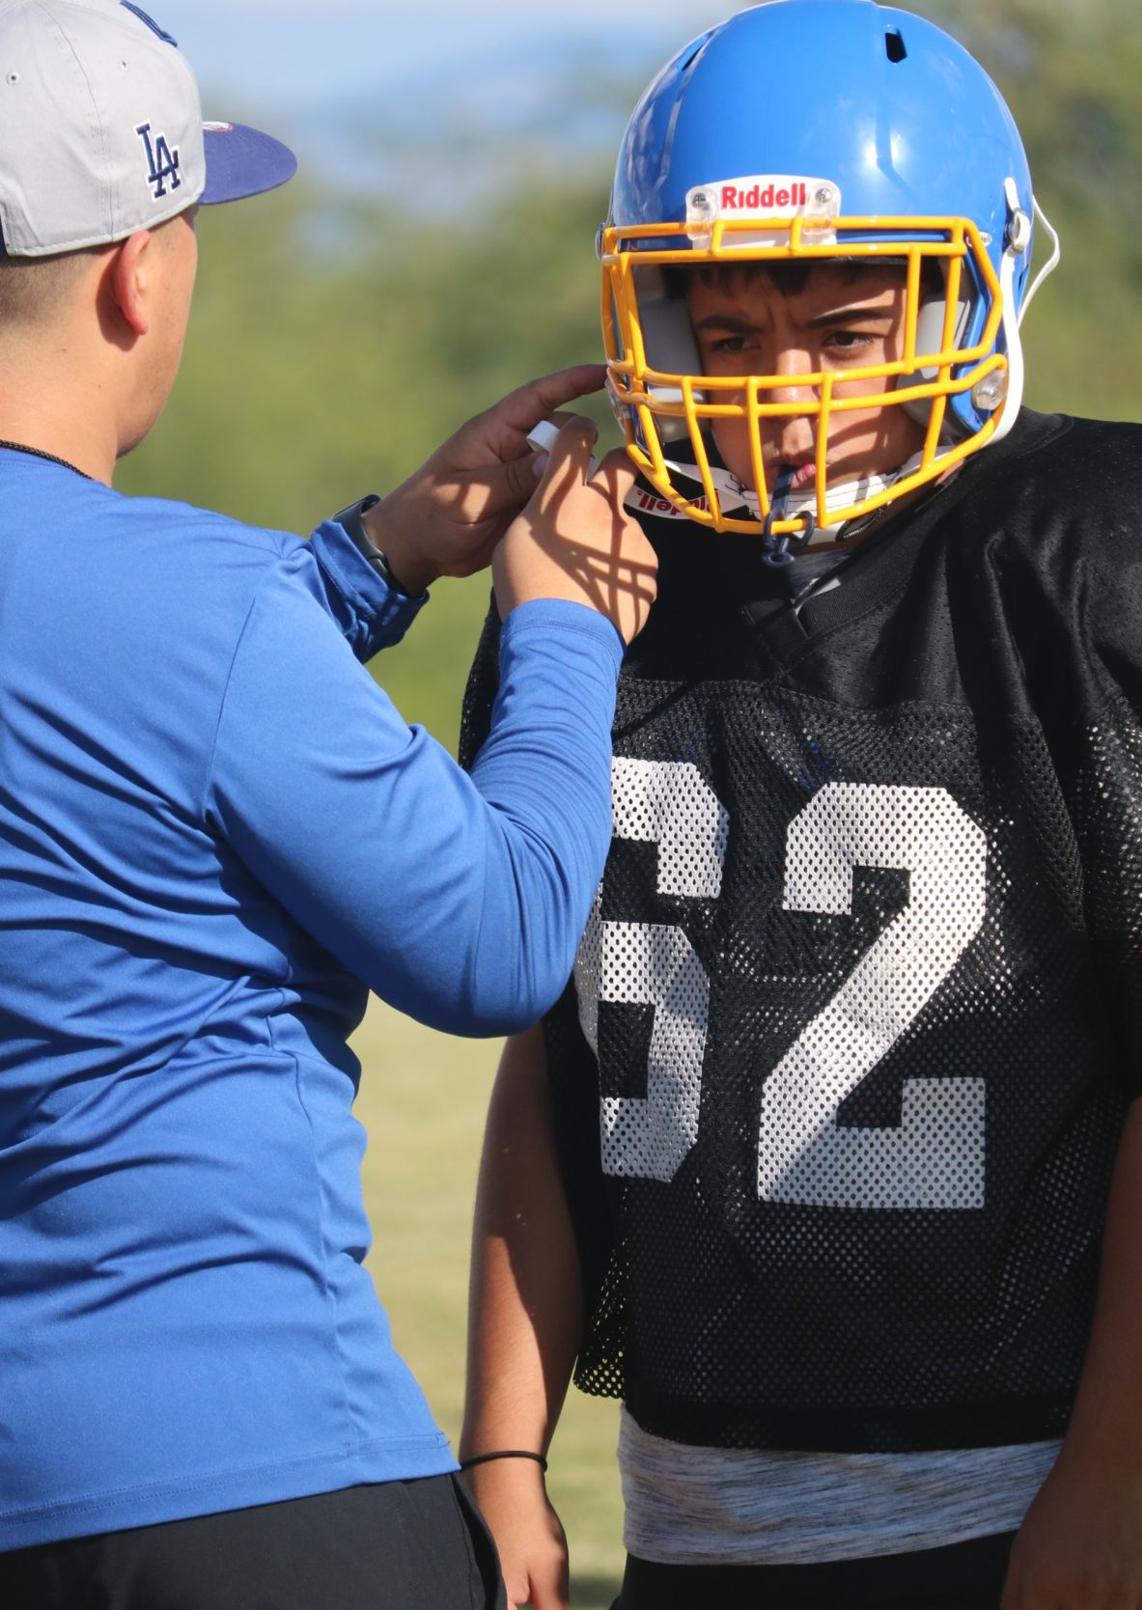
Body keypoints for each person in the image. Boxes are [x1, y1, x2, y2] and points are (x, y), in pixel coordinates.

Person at [457, 3, 1142, 1607]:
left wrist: (1111, 1462)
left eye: (846, 332)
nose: (780, 394)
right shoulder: (596, 580)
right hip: (695, 1507)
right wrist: (504, 1447)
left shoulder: (1097, 551)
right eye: (727, 336)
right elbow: (568, 1056)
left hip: (1037, 1481)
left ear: (975, 289)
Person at [0, 2, 656, 1606]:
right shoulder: (201, 605)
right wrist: (567, 626)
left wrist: (369, 564)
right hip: (248, 1475)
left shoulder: (203, 613)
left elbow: (90, 686)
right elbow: (498, 938)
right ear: (136, 272)